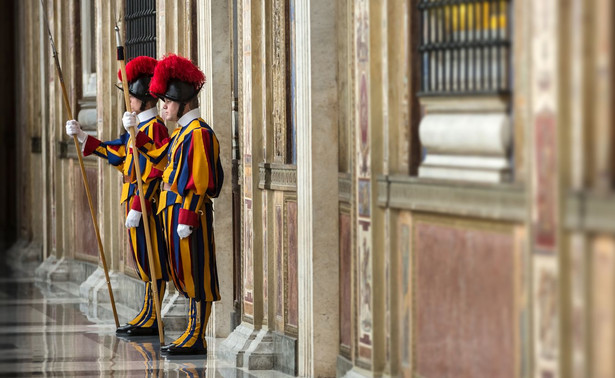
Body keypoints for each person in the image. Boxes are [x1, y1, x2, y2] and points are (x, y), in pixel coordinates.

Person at [65, 56, 170, 337]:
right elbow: (119, 153)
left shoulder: (155, 128)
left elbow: (153, 172)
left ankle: (153, 314)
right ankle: (148, 310)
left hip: (146, 204)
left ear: (145, 100)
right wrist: (85, 137)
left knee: (152, 259)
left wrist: (138, 205)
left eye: (132, 97)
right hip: (133, 200)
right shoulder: (136, 127)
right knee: (142, 260)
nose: (129, 101)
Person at [128, 54, 224, 355]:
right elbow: (161, 158)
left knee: (197, 274)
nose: (163, 106)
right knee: (183, 273)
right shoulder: (182, 133)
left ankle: (197, 335)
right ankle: (190, 332)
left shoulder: (199, 133)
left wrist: (187, 217)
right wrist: (137, 137)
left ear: (183, 102)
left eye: (167, 101)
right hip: (172, 211)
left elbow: (199, 179)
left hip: (187, 214)